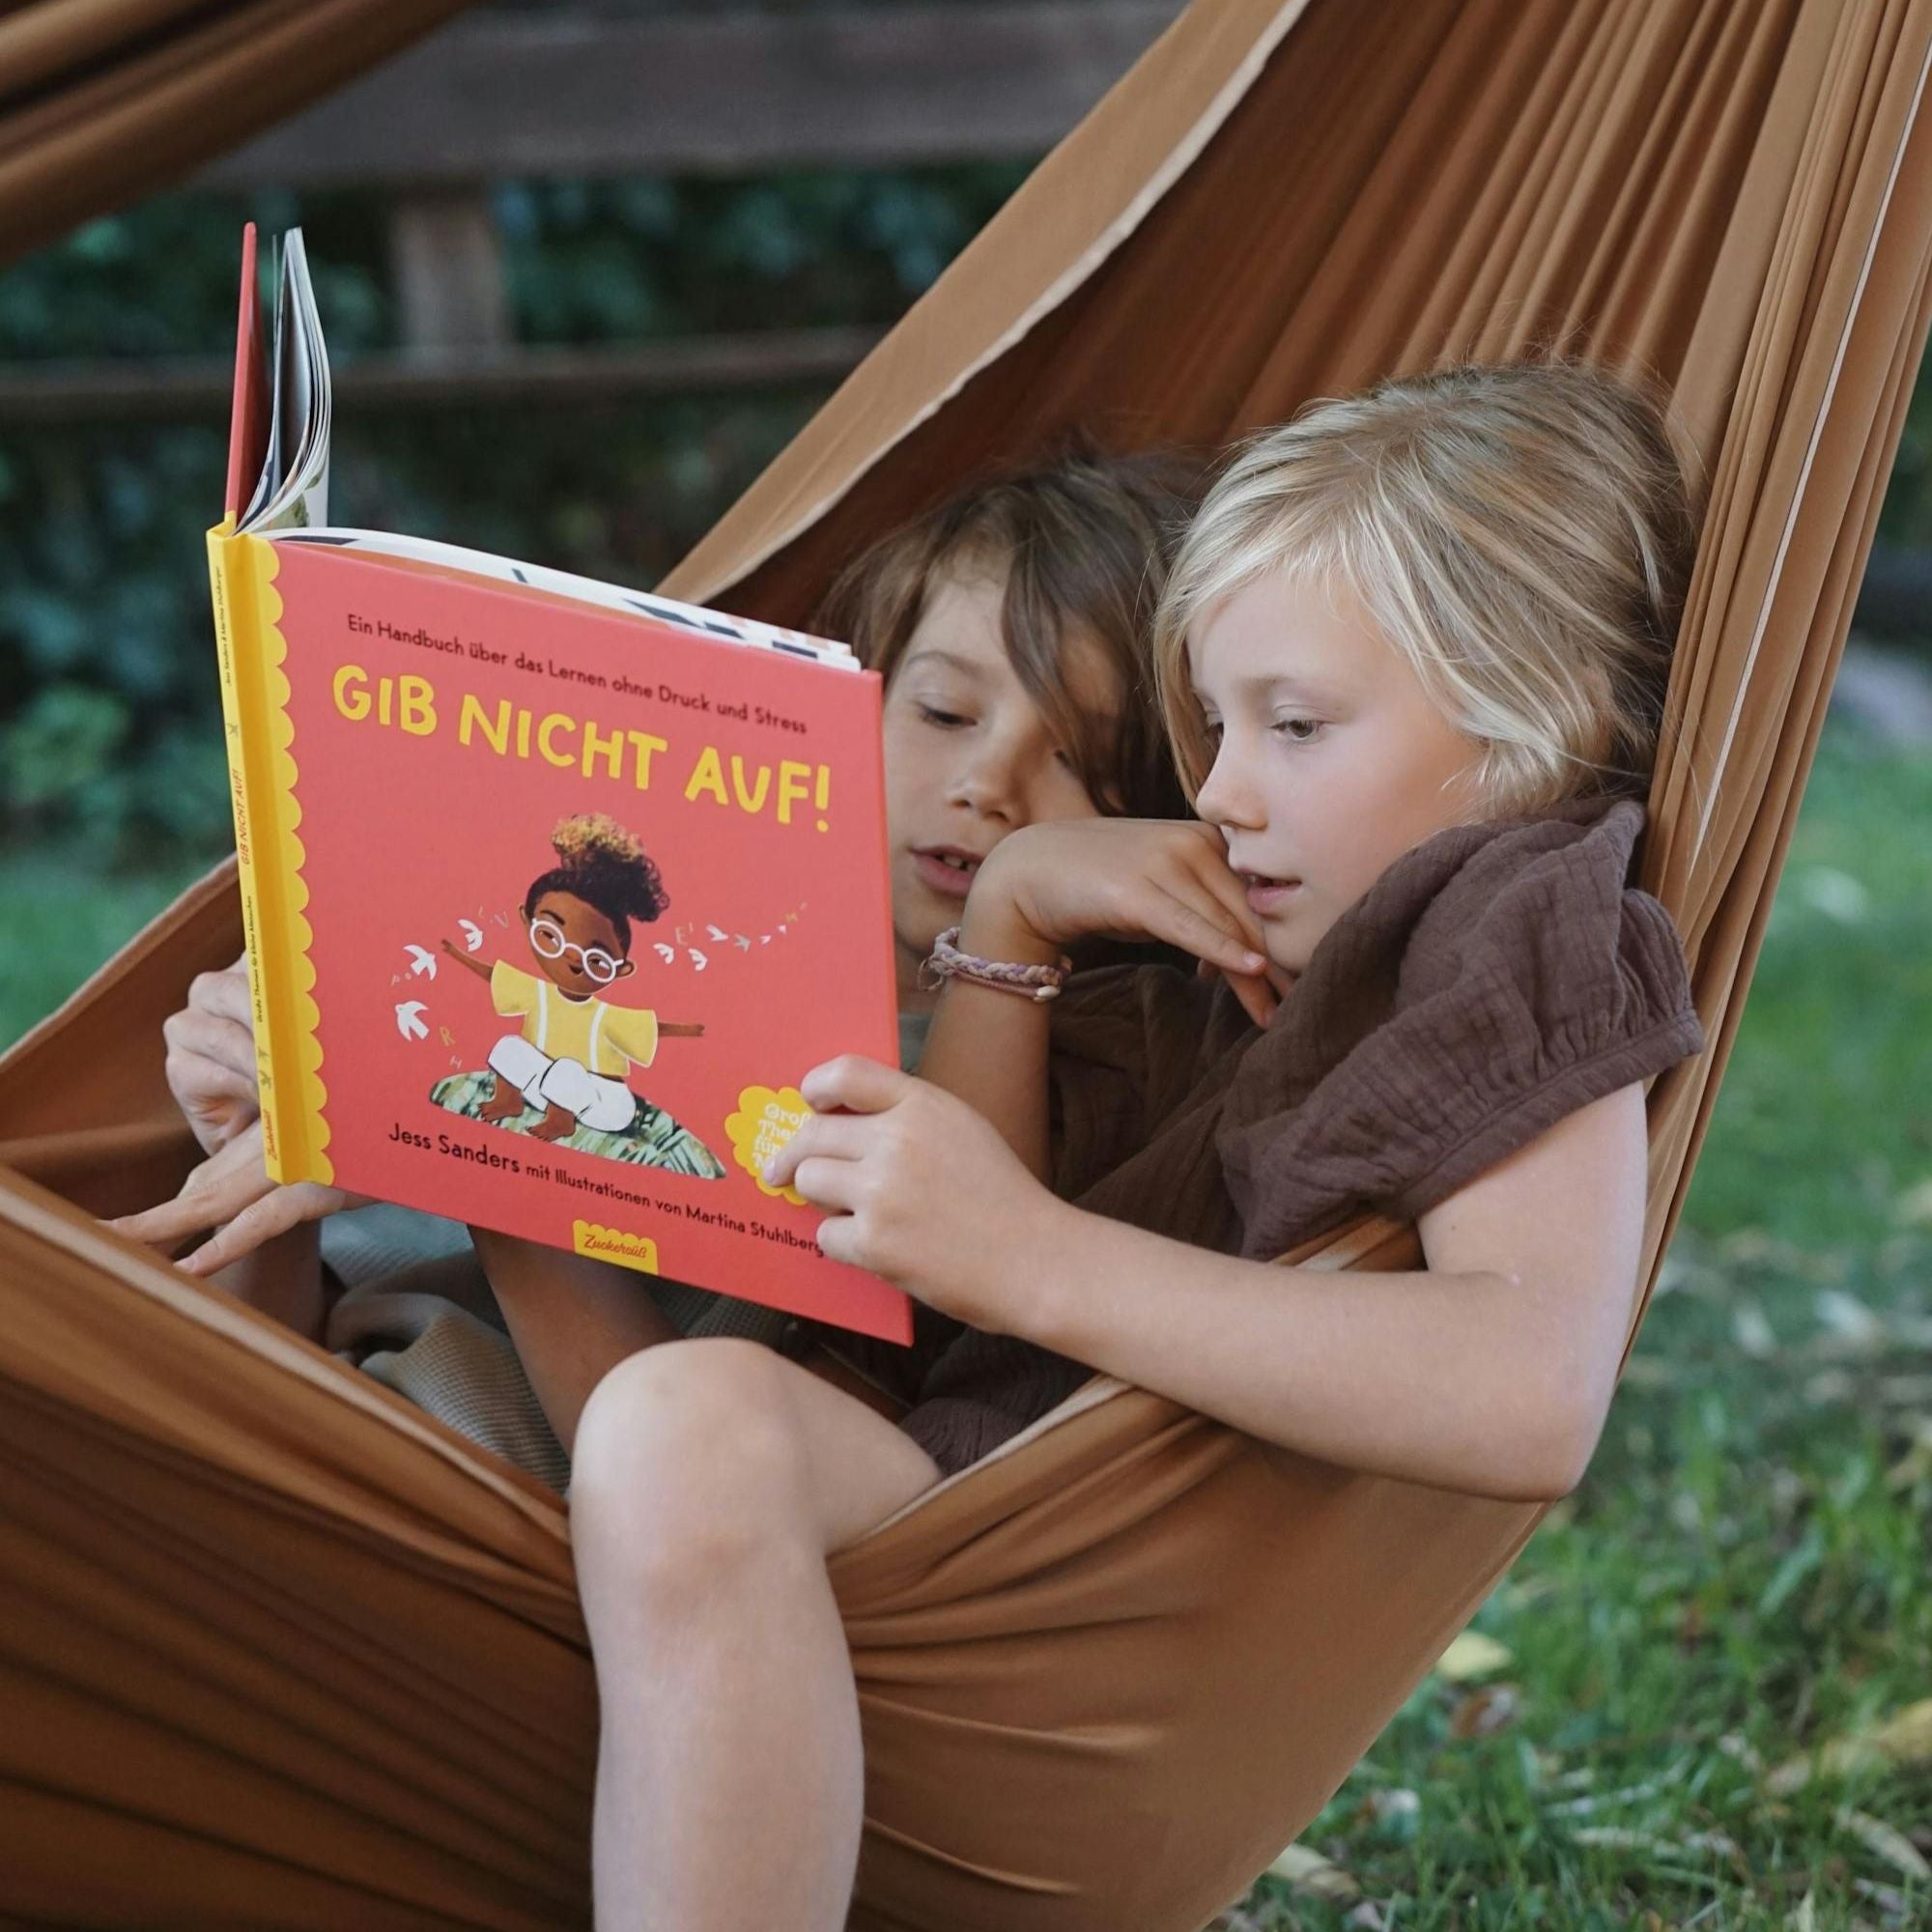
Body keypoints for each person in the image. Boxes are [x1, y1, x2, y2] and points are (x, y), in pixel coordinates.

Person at [564, 360, 1708, 1930]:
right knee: (673, 1424)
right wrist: (1016, 904)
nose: (1222, 791)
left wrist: (1027, 1254)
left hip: (1067, 1607)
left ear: (1533, 727)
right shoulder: (1260, 947)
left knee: (684, 1425)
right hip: (972, 1499)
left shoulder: (1523, 913)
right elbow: (936, 1292)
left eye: (1293, 724)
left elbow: (1531, 1392)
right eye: (1216, 727)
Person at [112, 443, 1206, 1465]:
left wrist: (493, 1159)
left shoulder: (997, 1104)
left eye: (1079, 754)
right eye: (942, 709)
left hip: (501, 1513)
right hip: (281, 1433)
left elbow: (680, 1468)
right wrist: (261, 1124)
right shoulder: (644, 956)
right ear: (846, 709)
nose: (989, 781)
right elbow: (267, 1367)